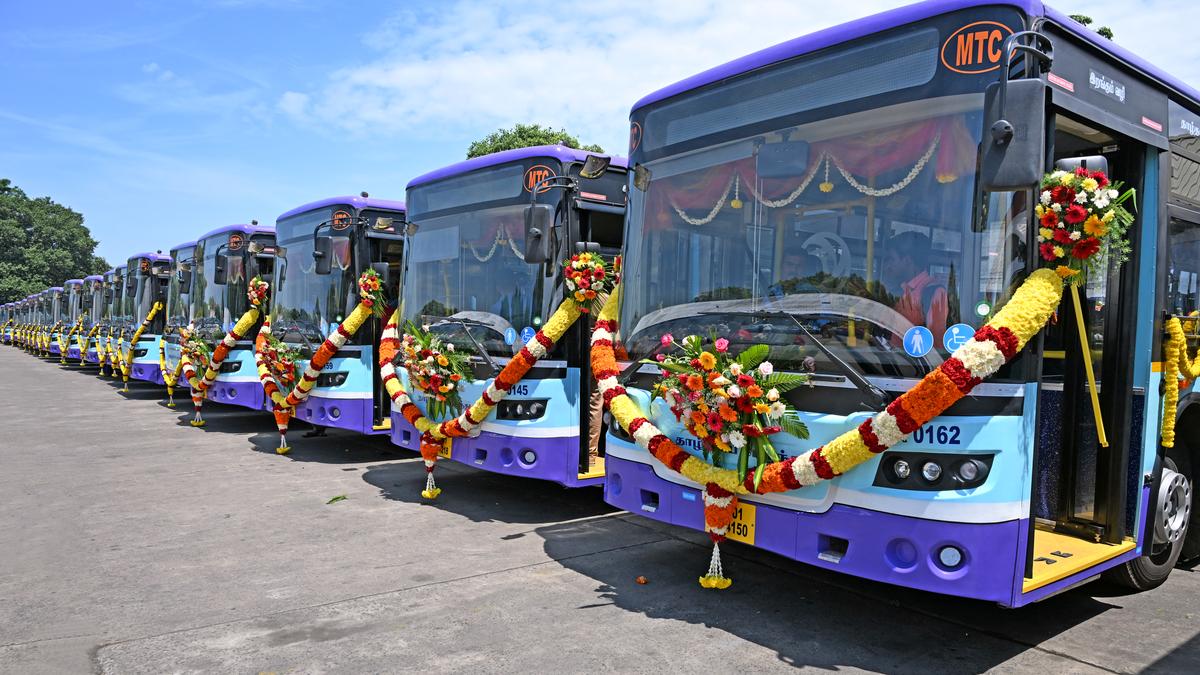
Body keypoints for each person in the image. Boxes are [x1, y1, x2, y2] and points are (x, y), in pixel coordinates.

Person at [882, 231, 948, 346]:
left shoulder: (934, 292)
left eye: (892, 259)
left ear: (907, 261)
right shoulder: (898, 290)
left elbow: (936, 344)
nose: (887, 266)